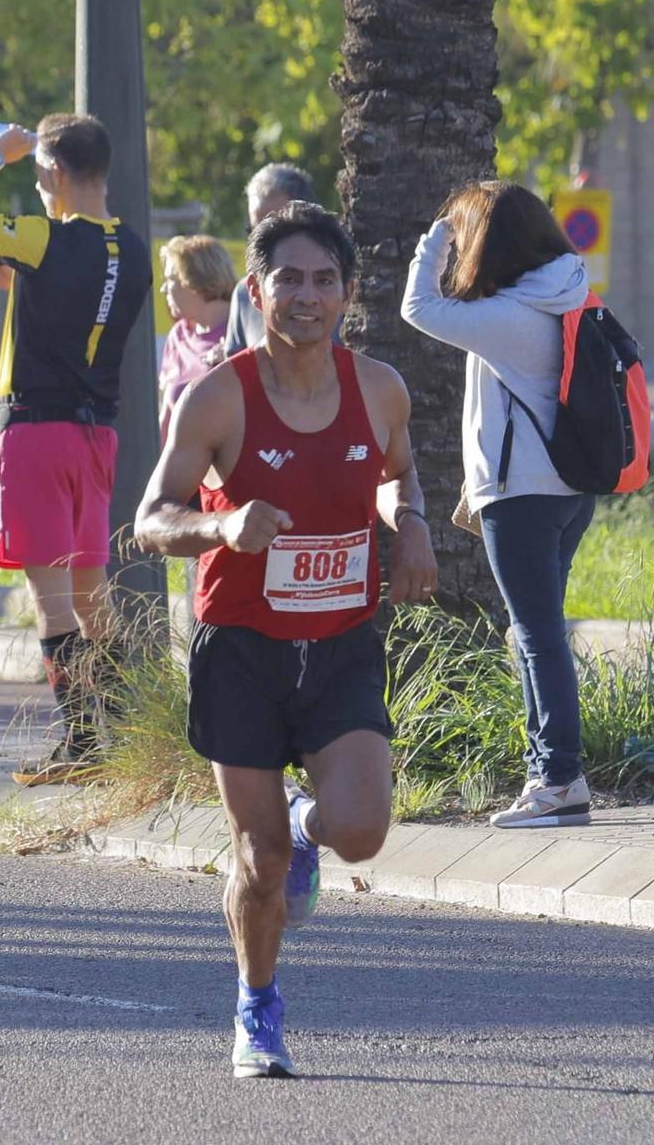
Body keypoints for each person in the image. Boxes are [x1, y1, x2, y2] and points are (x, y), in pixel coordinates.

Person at [134, 201, 436, 1078]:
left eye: (325, 281)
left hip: (340, 638)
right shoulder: (219, 394)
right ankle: (256, 1007)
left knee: (363, 828)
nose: (308, 297)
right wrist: (222, 529)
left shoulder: (378, 386)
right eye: (290, 280)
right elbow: (151, 520)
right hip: (243, 650)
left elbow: (396, 468)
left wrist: (409, 520)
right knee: (258, 861)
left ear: (346, 293)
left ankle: (311, 825)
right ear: (258, 290)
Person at [0, 112, 153, 786]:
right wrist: (5, 270)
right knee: (92, 596)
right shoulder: (134, 247)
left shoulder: (42, 237)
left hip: (35, 430)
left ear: (54, 172)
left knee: (51, 599)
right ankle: (122, 734)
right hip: (96, 435)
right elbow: (66, 294)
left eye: (37, 174)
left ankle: (81, 741)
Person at [401, 182, 601, 829]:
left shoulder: (511, 315)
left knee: (538, 634)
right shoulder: (568, 293)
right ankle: (547, 769)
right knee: (535, 631)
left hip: (521, 496)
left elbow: (416, 306)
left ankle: (558, 776)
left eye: (463, 236)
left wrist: (436, 235)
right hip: (567, 491)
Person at [218, 163, 317, 359]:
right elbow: (237, 371)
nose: (264, 238)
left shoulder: (335, 288)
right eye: (256, 229)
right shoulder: (245, 293)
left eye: (276, 226)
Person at [156, 233, 234, 435]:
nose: (163, 289)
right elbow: (165, 420)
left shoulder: (243, 331)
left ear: (196, 280)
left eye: (170, 279)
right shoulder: (178, 336)